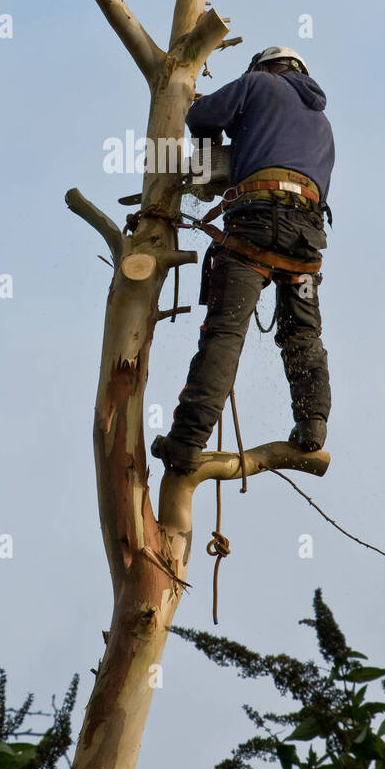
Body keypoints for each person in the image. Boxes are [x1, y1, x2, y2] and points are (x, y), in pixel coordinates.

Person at [153, 46, 335, 475]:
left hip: (255, 224)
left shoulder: (257, 84)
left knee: (224, 335)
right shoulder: (324, 124)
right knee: (302, 335)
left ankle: (186, 443)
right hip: (306, 243)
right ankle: (312, 426)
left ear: (263, 68)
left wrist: (204, 167)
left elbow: (200, 118)